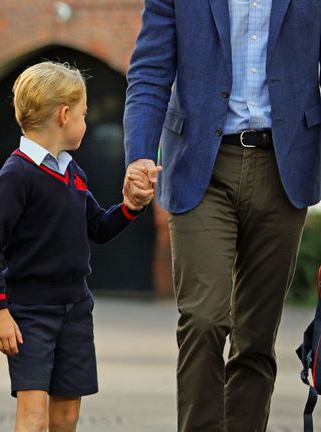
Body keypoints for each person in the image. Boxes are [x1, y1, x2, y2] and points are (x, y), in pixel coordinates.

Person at [122, 1, 321, 430]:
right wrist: (139, 154)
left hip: (284, 166)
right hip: (200, 165)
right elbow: (150, 72)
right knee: (204, 318)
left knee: (256, 336)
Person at [0, 61, 157, 432]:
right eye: (84, 114)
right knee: (33, 418)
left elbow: (100, 228)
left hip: (75, 309)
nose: (85, 123)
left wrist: (131, 207)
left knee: (65, 418)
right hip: (29, 314)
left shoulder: (73, 173)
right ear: (64, 114)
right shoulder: (15, 175)